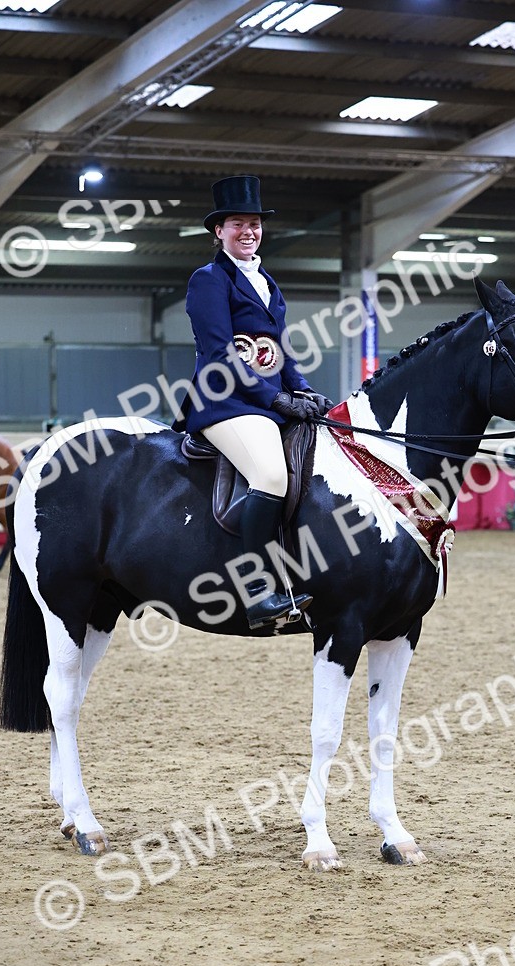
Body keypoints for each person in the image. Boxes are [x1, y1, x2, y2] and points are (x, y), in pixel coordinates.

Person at [179, 175, 330, 630]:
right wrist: (276, 398)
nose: (249, 231)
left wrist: (303, 390)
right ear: (219, 231)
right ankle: (257, 590)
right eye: (238, 224)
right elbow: (220, 354)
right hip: (223, 401)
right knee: (270, 474)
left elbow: (280, 350)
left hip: (264, 401)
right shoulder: (208, 280)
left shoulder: (266, 282)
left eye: (255, 224)